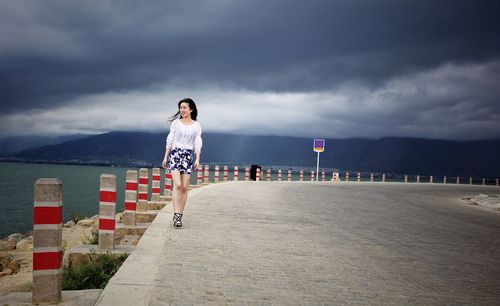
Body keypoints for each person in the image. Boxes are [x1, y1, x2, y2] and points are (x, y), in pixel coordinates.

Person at [162, 98, 202, 228]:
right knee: (178, 185)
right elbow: (170, 140)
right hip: (175, 154)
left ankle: (179, 216)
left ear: (191, 109)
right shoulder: (175, 123)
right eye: (180, 107)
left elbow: (197, 142)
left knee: (185, 187)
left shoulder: (196, 125)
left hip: (187, 156)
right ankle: (176, 213)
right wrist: (165, 157)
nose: (182, 110)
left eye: (184, 107)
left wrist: (197, 159)